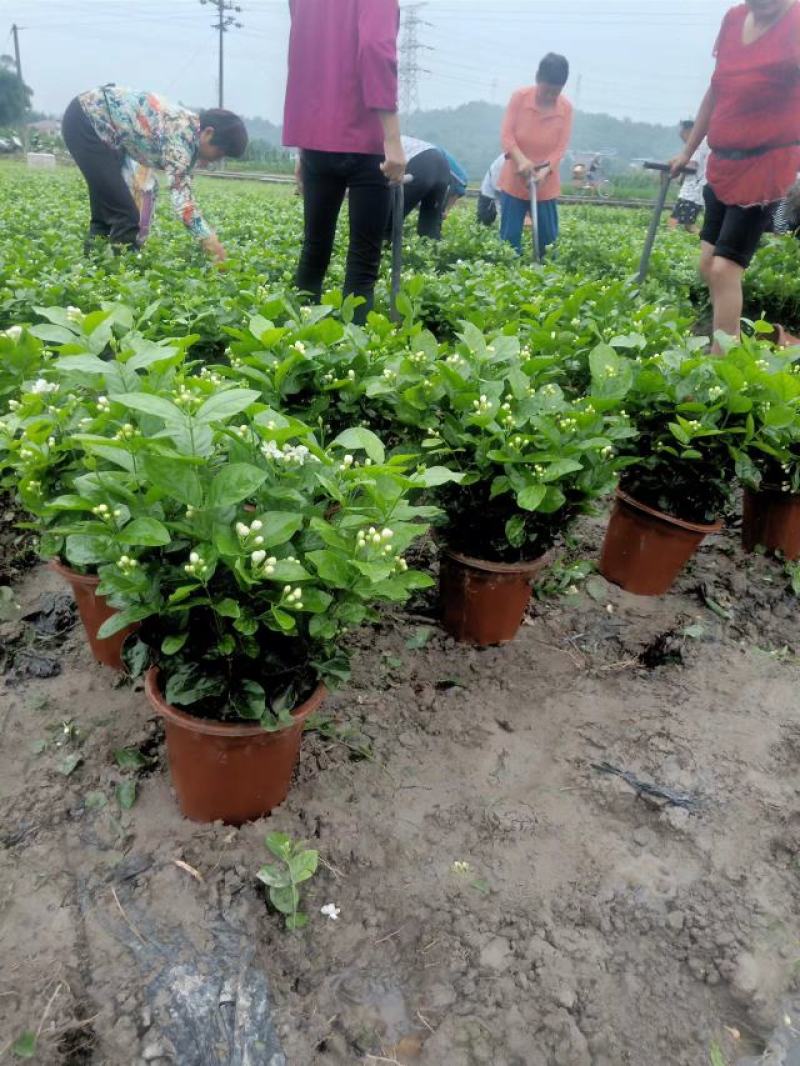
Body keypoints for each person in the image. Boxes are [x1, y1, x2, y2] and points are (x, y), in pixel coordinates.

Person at [671, 0, 800, 351]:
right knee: (707, 265)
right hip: (723, 165)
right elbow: (716, 90)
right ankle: (750, 337)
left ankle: (720, 366)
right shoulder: (734, 19)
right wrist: (687, 150)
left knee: (724, 270)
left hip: (766, 168)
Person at [283, 0, 405, 326]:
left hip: (315, 137)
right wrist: (392, 139)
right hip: (363, 137)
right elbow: (376, 49)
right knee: (364, 259)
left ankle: (299, 344)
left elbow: (304, 52)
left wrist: (303, 147)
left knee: (314, 248)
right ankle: (354, 354)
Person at [61, 86, 247, 260]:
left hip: (99, 128)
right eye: (220, 153)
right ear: (208, 133)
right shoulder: (181, 135)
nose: (216, 160)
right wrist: (209, 241)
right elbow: (184, 204)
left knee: (105, 215)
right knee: (126, 218)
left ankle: (92, 272)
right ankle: (119, 280)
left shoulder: (189, 133)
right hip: (87, 121)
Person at [498, 53, 573, 256]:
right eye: (546, 90)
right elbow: (507, 136)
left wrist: (545, 171)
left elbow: (560, 148)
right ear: (538, 78)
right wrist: (522, 161)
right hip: (515, 180)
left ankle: (544, 281)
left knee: (547, 241)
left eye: (555, 92)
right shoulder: (520, 98)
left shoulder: (566, 108)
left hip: (545, 183)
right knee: (509, 242)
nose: (550, 96)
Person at [390, 136, 468, 239]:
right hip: (439, 166)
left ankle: (384, 249)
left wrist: (447, 210)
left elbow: (461, 182)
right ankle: (431, 249)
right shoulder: (404, 141)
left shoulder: (378, 143)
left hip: (425, 163)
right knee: (429, 229)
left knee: (388, 218)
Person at [668, 121, 710, 233]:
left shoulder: (698, 143)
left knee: (684, 223)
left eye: (684, 137)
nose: (684, 141)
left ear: (690, 132)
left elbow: (692, 165)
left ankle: (706, 237)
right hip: (701, 187)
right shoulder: (706, 141)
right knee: (676, 217)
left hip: (693, 189)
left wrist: (678, 167)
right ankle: (668, 233)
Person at [477, 153, 505, 225]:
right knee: (484, 222)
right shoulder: (502, 162)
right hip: (489, 195)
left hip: (503, 194)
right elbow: (498, 187)